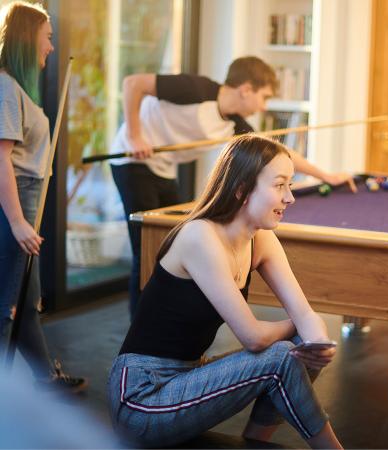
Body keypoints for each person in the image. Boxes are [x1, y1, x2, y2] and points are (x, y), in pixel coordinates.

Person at [107, 134, 343, 449]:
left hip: (186, 376)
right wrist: (301, 329)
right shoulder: (200, 237)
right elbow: (254, 337)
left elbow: (303, 312)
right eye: (280, 185)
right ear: (242, 190)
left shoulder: (260, 239)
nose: (290, 198)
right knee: (282, 353)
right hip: (142, 399)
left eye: (290, 185)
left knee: (299, 345)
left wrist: (316, 341)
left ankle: (255, 443)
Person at [110, 56, 356, 317]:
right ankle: (140, 328)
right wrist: (134, 136)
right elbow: (133, 84)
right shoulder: (195, 89)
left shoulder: (235, 125)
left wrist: (325, 176)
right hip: (130, 160)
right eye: (264, 97)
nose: (263, 107)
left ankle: (166, 316)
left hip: (163, 168)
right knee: (145, 245)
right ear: (246, 89)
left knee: (170, 243)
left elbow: (279, 154)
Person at [0, 1, 86, 392]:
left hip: (26, 196)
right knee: (9, 304)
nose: (51, 47)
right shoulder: (5, 86)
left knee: (26, 296)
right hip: (14, 201)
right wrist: (17, 221)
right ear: (27, 37)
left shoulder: (16, 87)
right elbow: (0, 159)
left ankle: (43, 377)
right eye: (47, 38)